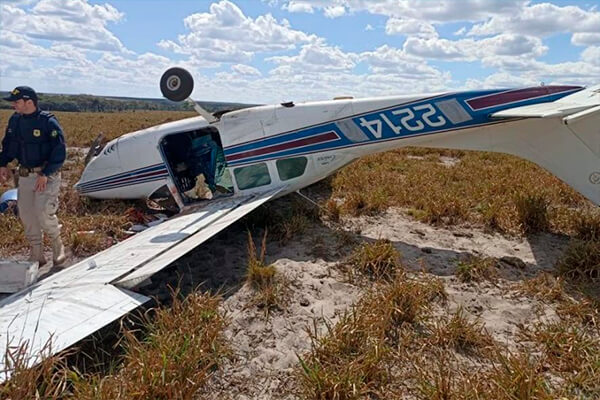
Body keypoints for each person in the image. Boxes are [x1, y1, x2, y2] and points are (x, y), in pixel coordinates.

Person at [0, 86, 67, 267]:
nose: (14, 105)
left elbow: (59, 151)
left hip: (47, 175)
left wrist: (45, 173)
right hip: (25, 176)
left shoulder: (47, 122)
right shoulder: (15, 121)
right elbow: (8, 145)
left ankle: (57, 245)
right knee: (28, 215)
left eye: (17, 102)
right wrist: (3, 164)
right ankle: (36, 253)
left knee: (43, 212)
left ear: (29, 102)